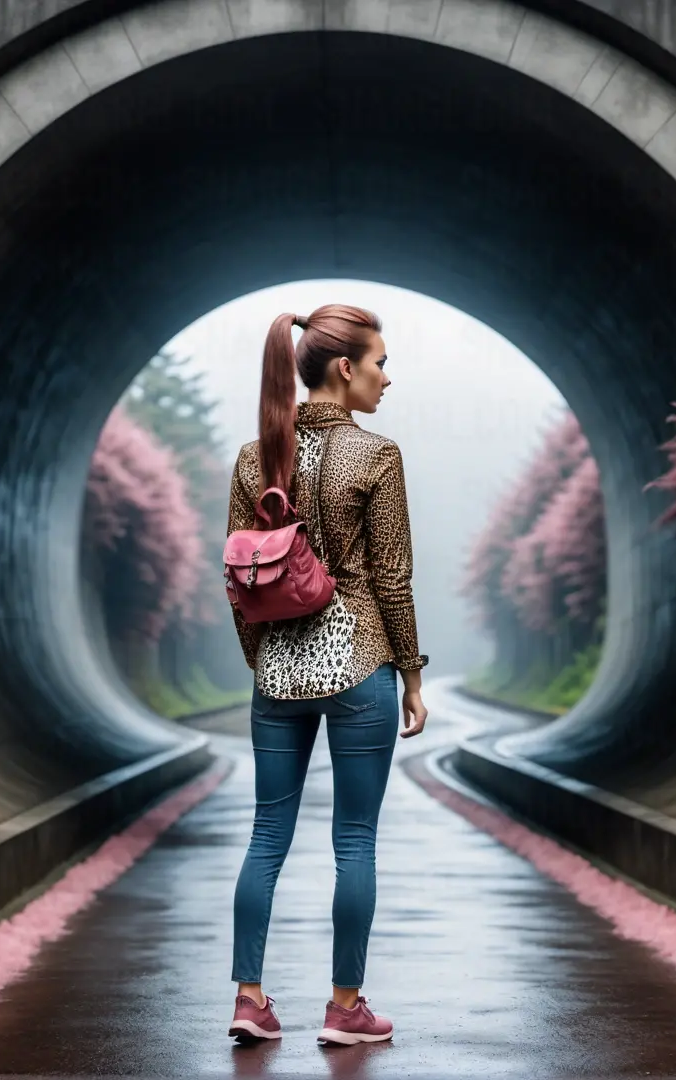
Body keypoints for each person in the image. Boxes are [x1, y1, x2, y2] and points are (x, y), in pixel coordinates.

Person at [226, 304, 429, 1047]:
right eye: (380, 362)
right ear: (344, 369)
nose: (386, 377)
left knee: (267, 835)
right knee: (355, 841)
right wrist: (409, 674)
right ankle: (345, 1009)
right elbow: (393, 580)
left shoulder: (255, 459)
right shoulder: (375, 455)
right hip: (361, 663)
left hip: (276, 673)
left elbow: (240, 582)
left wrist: (265, 663)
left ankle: (249, 998)